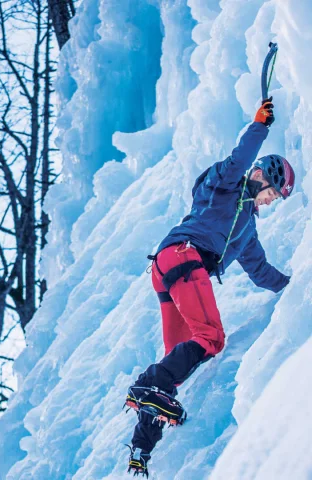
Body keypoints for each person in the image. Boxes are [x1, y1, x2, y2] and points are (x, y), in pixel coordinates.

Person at [125, 98, 295, 477]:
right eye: (274, 192)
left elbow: (261, 271)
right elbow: (239, 158)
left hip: (169, 268)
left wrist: (297, 286)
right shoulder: (224, 184)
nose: (271, 201)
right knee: (213, 338)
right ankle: (145, 385)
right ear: (263, 175)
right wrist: (260, 125)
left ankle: (141, 447)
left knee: (179, 358)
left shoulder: (247, 229)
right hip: (185, 257)